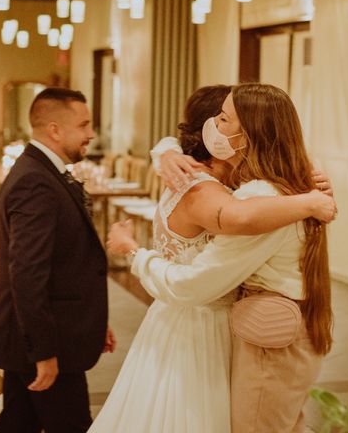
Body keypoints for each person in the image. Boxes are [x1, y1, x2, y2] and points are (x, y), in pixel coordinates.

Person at [89, 85, 335, 433]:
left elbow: (199, 275)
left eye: (223, 119)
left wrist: (133, 252)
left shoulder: (255, 197)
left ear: (249, 134)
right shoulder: (277, 183)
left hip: (240, 330)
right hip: (242, 329)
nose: (213, 127)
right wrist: (166, 150)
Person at [0, 87, 115, 433]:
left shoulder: (40, 172)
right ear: (54, 129)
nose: (91, 134)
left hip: (46, 332)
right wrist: (43, 351)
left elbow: (64, 263)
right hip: (43, 340)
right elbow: (27, 273)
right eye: (84, 125)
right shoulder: (35, 182)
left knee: (18, 424)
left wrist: (93, 319)